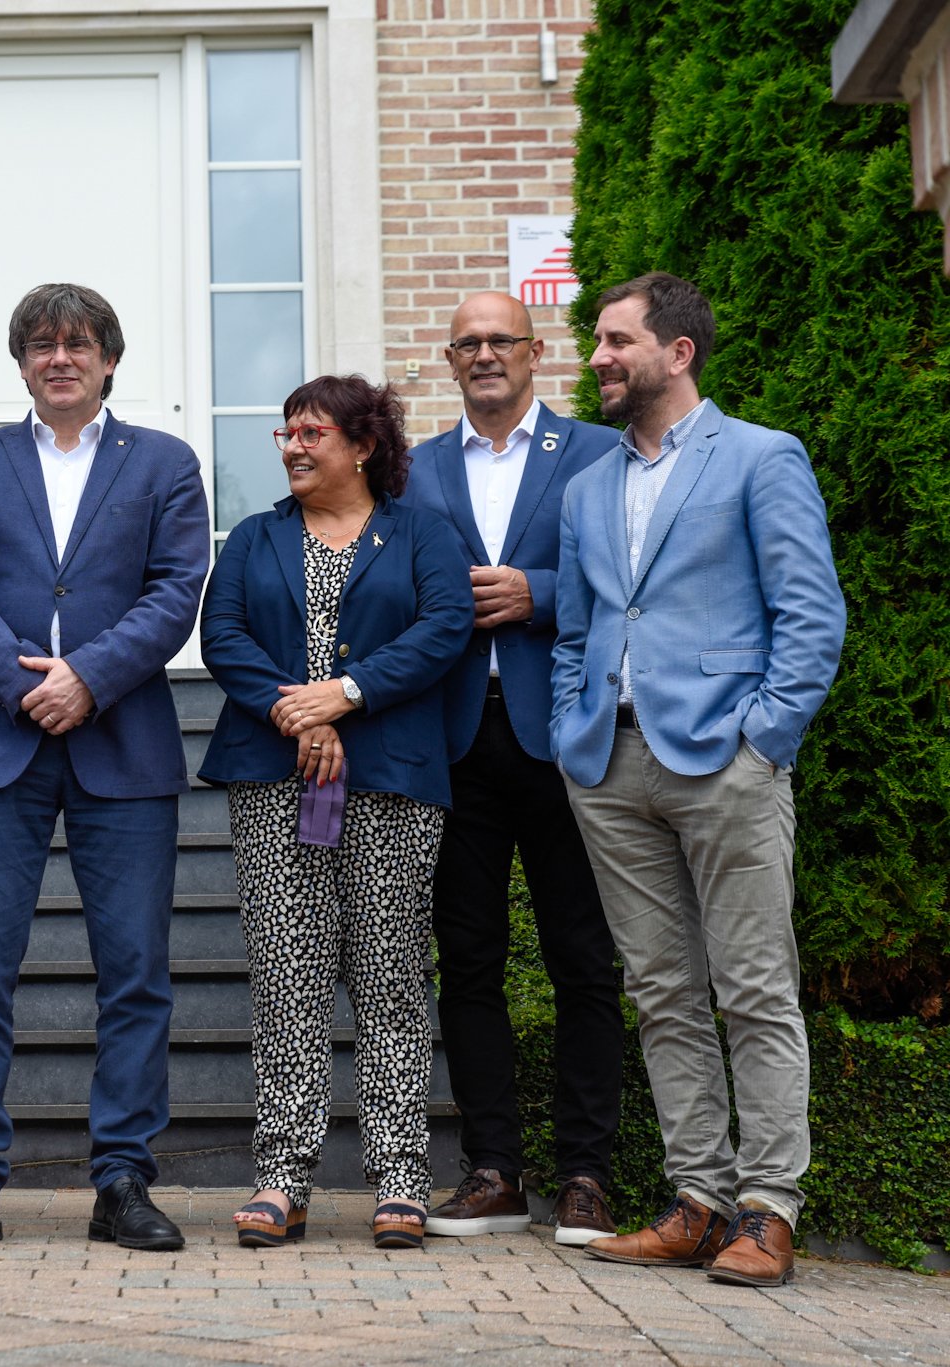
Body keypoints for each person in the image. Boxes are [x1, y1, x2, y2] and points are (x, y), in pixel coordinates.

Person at [552, 273, 844, 1288]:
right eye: (595, 339)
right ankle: (695, 1197)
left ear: (674, 352)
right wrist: (565, 728)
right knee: (662, 989)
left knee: (754, 986)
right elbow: (578, 628)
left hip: (725, 757)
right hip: (607, 762)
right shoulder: (585, 485)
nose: (595, 356)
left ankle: (767, 1208)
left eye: (613, 339)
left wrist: (764, 738)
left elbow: (810, 615)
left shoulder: (760, 457)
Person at [0, 283, 209, 1253]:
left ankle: (121, 1177)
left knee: (133, 974)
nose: (58, 358)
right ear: (20, 362)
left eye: (76, 344)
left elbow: (175, 590)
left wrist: (88, 676)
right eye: (40, 345)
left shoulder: (164, 461)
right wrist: (21, 682)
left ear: (107, 359)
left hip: (120, 742)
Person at [199, 374, 472, 1252]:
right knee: (287, 975)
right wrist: (295, 710)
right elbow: (225, 636)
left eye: (311, 431)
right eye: (285, 433)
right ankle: (284, 1174)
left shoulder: (424, 533)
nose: (292, 446)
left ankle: (401, 1179)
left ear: (363, 444)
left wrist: (345, 695)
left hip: (391, 778)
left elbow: (443, 626)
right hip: (277, 780)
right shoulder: (253, 536)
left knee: (390, 971)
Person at [400, 292, 626, 1246]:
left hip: (564, 733)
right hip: (452, 738)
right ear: (451, 361)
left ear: (537, 353)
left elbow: (630, 575)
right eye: (469, 343)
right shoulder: (413, 471)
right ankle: (494, 1170)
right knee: (470, 957)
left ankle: (586, 1174)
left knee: (583, 957)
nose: (486, 354)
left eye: (503, 340)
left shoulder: (595, 456)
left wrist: (542, 594)